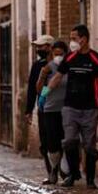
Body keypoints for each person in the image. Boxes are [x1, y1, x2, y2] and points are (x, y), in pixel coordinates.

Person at [45, 25, 98, 188]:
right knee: (69, 142)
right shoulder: (69, 58)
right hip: (70, 108)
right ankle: (73, 175)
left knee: (89, 146)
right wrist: (45, 93)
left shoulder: (97, 59)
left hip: (90, 109)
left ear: (84, 39)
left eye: (74, 38)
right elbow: (58, 77)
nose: (72, 42)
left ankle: (90, 180)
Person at [36, 40, 70, 185]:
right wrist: (43, 76)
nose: (58, 57)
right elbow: (38, 88)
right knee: (52, 144)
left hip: (67, 109)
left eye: (61, 54)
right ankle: (53, 170)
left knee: (66, 142)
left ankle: (65, 173)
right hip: (50, 110)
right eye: (56, 54)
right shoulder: (48, 68)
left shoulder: (69, 67)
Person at [24, 35, 54, 176]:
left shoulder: (59, 65)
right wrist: (29, 110)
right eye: (37, 46)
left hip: (58, 108)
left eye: (41, 46)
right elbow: (31, 89)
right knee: (45, 140)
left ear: (49, 47)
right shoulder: (37, 66)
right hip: (42, 108)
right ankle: (51, 172)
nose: (38, 49)